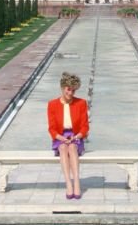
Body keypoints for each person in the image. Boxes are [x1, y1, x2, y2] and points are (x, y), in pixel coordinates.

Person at [47, 71, 89, 199]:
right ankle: (68, 184)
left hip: (76, 136)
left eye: (73, 91)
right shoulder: (52, 104)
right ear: (62, 88)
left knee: (72, 147)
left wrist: (76, 137)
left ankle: (76, 182)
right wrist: (61, 138)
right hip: (60, 136)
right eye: (68, 90)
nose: (70, 93)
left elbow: (85, 127)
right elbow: (52, 128)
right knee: (64, 147)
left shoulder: (81, 103)